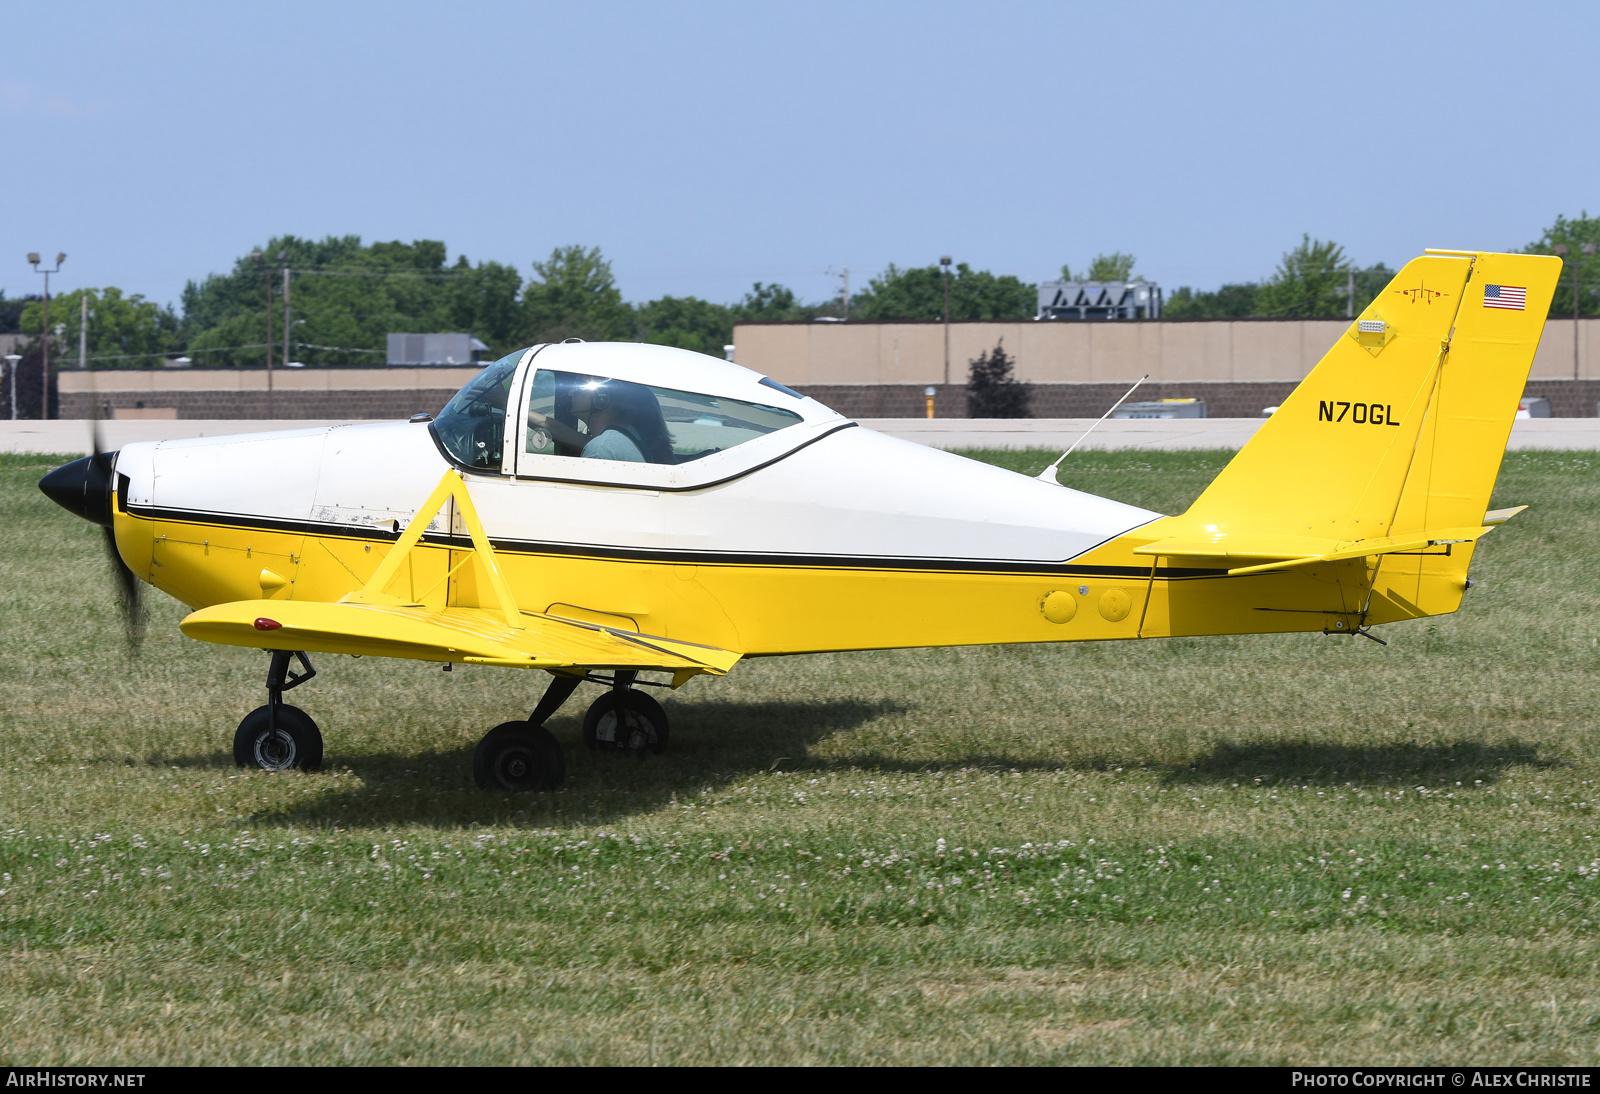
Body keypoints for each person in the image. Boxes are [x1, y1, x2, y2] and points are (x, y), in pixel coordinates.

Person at [528, 377, 675, 464]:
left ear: (601, 399)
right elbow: (561, 431)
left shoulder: (601, 450)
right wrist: (507, 405)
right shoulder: (623, 437)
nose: (571, 393)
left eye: (580, 387)